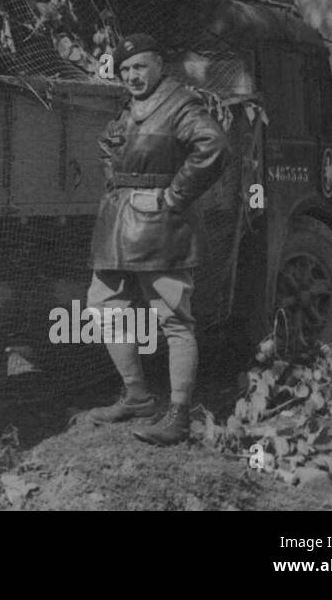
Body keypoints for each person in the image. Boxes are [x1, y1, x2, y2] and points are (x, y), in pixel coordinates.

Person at [86, 34, 231, 446]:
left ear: (159, 66)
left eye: (139, 67)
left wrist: (174, 195)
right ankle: (136, 396)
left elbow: (214, 146)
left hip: (161, 226)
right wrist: (117, 180)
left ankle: (180, 416)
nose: (132, 76)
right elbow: (109, 150)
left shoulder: (179, 104)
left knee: (173, 319)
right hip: (117, 225)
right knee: (104, 308)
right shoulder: (129, 110)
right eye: (125, 69)